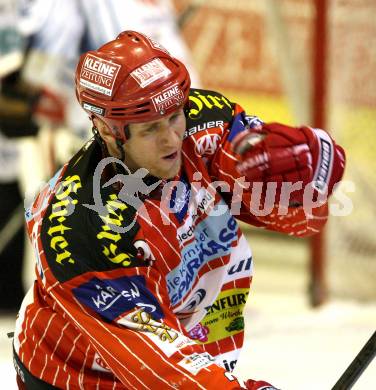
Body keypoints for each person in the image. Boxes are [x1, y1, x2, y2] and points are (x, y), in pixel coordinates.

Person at [13, 31, 346, 389]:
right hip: (77, 375)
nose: (172, 138)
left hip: (182, 337)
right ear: (108, 131)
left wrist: (312, 177)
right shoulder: (81, 228)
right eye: (151, 128)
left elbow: (299, 220)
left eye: (174, 116)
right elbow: (162, 371)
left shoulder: (205, 123)